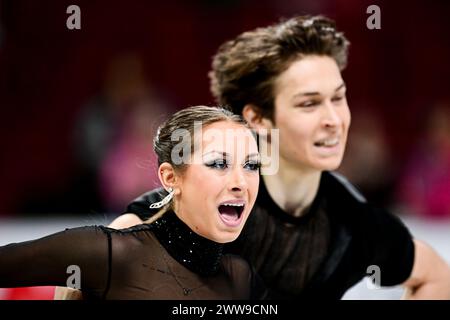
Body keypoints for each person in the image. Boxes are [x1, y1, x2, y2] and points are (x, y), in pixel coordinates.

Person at [58, 15, 450, 300]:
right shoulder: (202, 207)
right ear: (257, 119)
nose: (334, 119)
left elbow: (434, 276)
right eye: (310, 103)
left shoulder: (353, 222)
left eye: (338, 97)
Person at [0, 106, 267, 300]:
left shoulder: (240, 277)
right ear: (170, 177)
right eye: (218, 163)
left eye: (251, 165)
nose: (240, 182)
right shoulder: (112, 254)